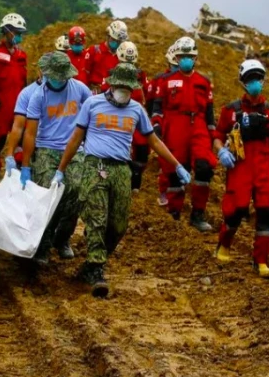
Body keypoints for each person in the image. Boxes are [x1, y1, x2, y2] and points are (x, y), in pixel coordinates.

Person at [55, 63, 191, 297]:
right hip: (94, 166)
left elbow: (154, 141)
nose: (125, 91)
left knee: (118, 225)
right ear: (111, 83)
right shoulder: (92, 104)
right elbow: (76, 138)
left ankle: (92, 264)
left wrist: (176, 165)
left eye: (130, 88)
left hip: (121, 170)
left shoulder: (136, 110)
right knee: (97, 219)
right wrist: (61, 169)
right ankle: (96, 269)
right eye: (121, 86)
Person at [20, 52, 92, 264]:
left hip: (75, 150)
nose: (59, 80)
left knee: (77, 191)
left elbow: (93, 114)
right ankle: (42, 242)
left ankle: (62, 238)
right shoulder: (38, 96)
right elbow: (30, 133)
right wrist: (25, 165)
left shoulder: (80, 90)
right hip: (47, 149)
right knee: (47, 195)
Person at [213, 60, 269, 278]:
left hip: (263, 167)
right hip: (240, 165)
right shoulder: (231, 110)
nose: (255, 83)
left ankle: (260, 260)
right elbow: (217, 136)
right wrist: (222, 151)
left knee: (267, 212)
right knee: (236, 210)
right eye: (250, 79)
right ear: (243, 82)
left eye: (258, 78)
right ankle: (224, 244)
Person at [150, 37, 216, 232]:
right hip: (175, 126)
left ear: (195, 58)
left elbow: (210, 113)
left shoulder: (204, 82)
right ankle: (174, 212)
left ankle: (198, 214)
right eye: (182, 56)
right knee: (174, 171)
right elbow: (157, 108)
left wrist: (212, 135)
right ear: (176, 58)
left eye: (190, 56)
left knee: (204, 168)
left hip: (199, 126)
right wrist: (157, 126)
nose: (186, 59)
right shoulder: (166, 81)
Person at [0, 13, 28, 181]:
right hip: (0, 105)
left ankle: (16, 171)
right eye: (16, 32)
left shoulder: (21, 55)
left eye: (21, 33)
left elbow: (23, 80)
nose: (19, 36)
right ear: (7, 31)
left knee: (20, 140)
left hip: (18, 105)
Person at [106, 41, 149, 193]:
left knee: (142, 149)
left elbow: (146, 94)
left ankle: (135, 183)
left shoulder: (140, 74)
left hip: (136, 115)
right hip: (118, 115)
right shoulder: (113, 72)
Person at [2, 53, 53, 178]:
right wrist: (10, 154)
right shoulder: (27, 93)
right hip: (34, 146)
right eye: (44, 69)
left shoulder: (67, 90)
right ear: (39, 70)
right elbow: (18, 126)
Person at [147, 43, 179, 207]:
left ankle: (176, 191)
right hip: (162, 122)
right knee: (165, 158)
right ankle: (164, 191)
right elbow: (151, 102)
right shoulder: (160, 79)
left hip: (178, 124)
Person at [84, 20, 128, 93]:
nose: (116, 43)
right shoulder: (94, 51)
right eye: (114, 40)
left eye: (119, 41)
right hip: (94, 93)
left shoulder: (122, 57)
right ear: (108, 36)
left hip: (114, 94)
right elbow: (84, 74)